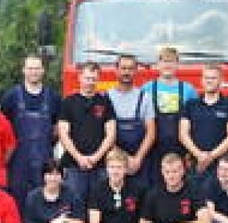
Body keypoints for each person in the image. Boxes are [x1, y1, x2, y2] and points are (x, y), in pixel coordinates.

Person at [0, 55, 62, 213]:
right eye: (30, 68)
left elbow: (58, 127)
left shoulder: (54, 97)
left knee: (45, 203)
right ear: (23, 71)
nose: (33, 72)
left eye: (37, 68)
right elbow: (2, 127)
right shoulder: (11, 97)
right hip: (18, 161)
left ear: (43, 71)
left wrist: (49, 144)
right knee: (16, 204)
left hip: (44, 159)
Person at [57, 62, 117, 206]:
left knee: (100, 205)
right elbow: (63, 134)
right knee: (74, 206)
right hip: (74, 166)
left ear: (98, 80)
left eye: (93, 79)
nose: (90, 82)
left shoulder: (106, 103)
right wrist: (79, 157)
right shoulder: (68, 103)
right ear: (80, 78)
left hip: (101, 165)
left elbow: (111, 134)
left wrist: (96, 157)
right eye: (87, 78)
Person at [180, 63, 228, 189]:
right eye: (207, 78)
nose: (209, 81)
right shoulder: (191, 104)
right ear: (202, 80)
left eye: (213, 78)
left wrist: (210, 156)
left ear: (221, 81)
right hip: (195, 164)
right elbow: (183, 134)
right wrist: (199, 155)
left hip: (221, 166)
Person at [140, 47, 198, 170]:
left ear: (177, 65)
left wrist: (190, 153)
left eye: (171, 61)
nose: (168, 65)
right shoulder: (146, 89)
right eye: (164, 61)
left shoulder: (189, 90)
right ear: (158, 64)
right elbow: (141, 121)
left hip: (181, 149)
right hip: (154, 149)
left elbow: (195, 123)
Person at [107, 54, 156, 191]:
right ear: (116, 70)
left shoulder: (144, 97)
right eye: (123, 68)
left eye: (130, 69)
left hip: (140, 161)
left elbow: (151, 132)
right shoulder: (106, 97)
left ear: (136, 71)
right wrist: (123, 159)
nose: (126, 72)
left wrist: (137, 159)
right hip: (114, 160)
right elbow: (105, 133)